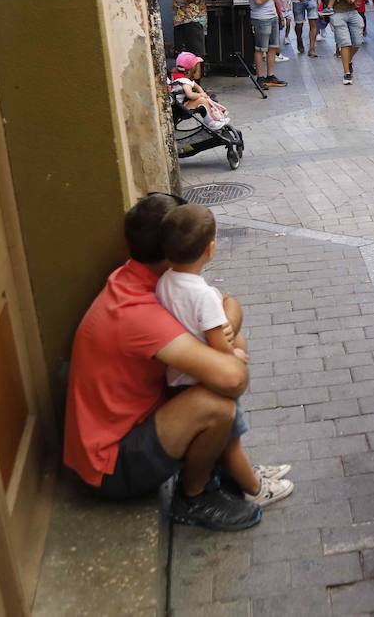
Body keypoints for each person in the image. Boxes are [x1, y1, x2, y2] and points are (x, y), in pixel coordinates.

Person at [63, 194, 264, 530]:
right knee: (217, 404)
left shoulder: (154, 283)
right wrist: (232, 340)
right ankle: (194, 498)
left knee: (211, 376)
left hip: (129, 431)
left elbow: (227, 309)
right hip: (111, 465)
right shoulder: (141, 311)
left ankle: (227, 467)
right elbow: (232, 377)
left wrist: (229, 330)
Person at [156, 205, 293, 507]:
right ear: (211, 249)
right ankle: (255, 489)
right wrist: (237, 354)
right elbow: (218, 342)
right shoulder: (203, 295)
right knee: (232, 443)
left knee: (229, 443)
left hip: (179, 379)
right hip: (205, 381)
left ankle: (250, 476)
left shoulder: (164, 281)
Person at [244, 0, 285, 89]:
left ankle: (270, 75)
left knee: (273, 46)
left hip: (271, 15)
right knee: (260, 48)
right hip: (261, 17)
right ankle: (260, 77)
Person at [170, 52, 229, 131]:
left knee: (204, 99)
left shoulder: (178, 76)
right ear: (190, 70)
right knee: (202, 100)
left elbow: (196, 86)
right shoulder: (184, 81)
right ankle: (211, 123)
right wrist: (201, 95)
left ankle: (215, 118)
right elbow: (190, 95)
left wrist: (203, 93)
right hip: (181, 108)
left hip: (179, 105)